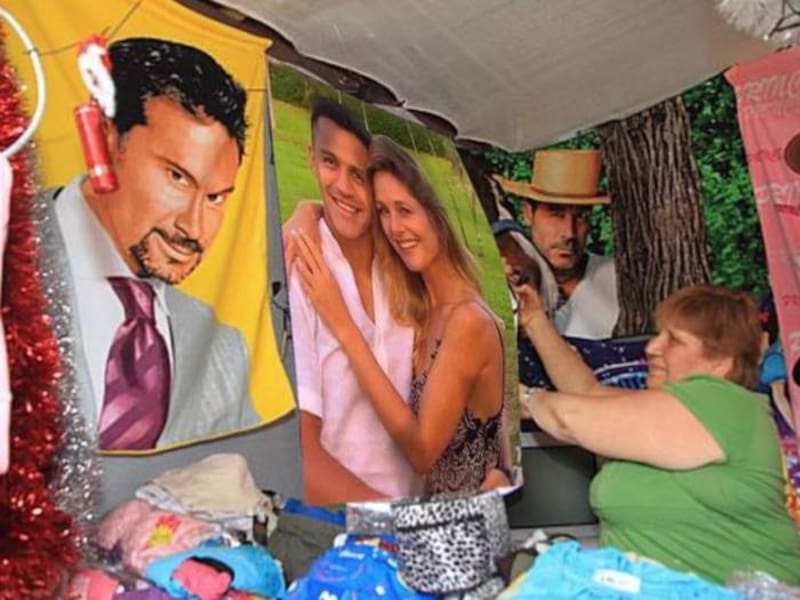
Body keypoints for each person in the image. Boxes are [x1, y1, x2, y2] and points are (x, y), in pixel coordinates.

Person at [46, 38, 259, 450]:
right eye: (177, 177)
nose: (194, 228)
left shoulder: (222, 353)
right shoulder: (12, 248)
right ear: (105, 142)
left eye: (216, 197)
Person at [514, 281, 800, 584]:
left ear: (721, 362)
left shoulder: (726, 405)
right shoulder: (676, 410)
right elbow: (587, 392)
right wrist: (535, 321)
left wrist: (527, 399)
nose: (652, 348)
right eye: (658, 335)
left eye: (673, 341)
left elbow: (571, 419)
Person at [295, 134, 507, 494]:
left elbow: (422, 452)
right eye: (384, 211)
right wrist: (307, 211)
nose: (395, 228)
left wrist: (342, 324)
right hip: (427, 513)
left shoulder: (468, 321)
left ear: (437, 214)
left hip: (462, 522)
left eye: (405, 211)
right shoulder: (422, 306)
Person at [288, 99, 420, 504]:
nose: (343, 187)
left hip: (415, 509)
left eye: (359, 175)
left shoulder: (408, 266)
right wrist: (396, 522)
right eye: (330, 162)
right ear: (311, 158)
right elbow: (299, 455)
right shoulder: (302, 266)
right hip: (339, 520)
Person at [494, 149, 618, 339]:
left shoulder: (615, 280)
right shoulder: (504, 284)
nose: (569, 232)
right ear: (528, 213)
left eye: (581, 217)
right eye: (557, 215)